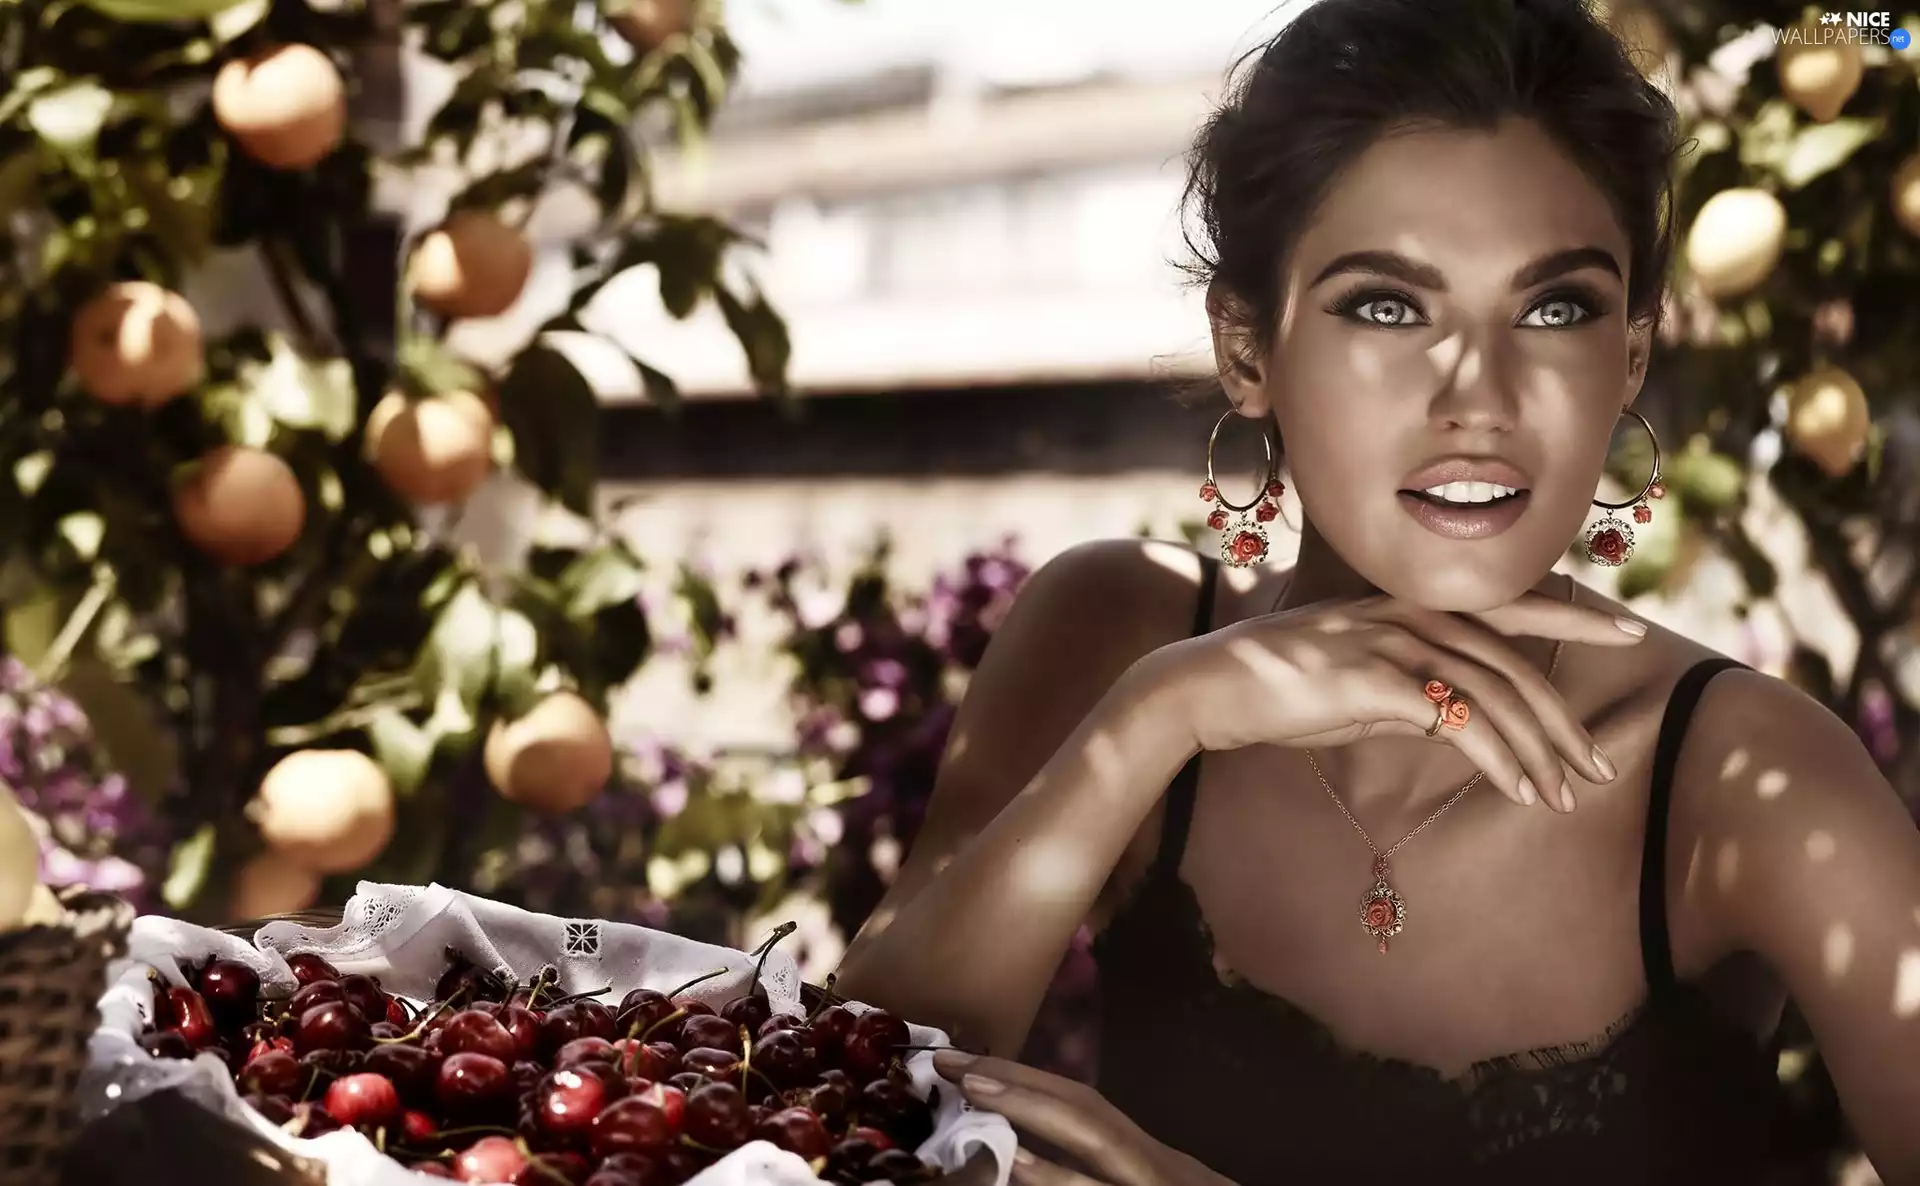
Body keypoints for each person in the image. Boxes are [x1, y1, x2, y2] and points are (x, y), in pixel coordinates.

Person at [828, 0, 1920, 1182]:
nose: (1480, 395)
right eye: (1387, 305)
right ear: (1248, 348)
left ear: (1632, 356)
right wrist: (1159, 719)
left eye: (1555, 308)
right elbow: (845, 1092)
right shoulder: (1117, 633)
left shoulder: (1747, 779)